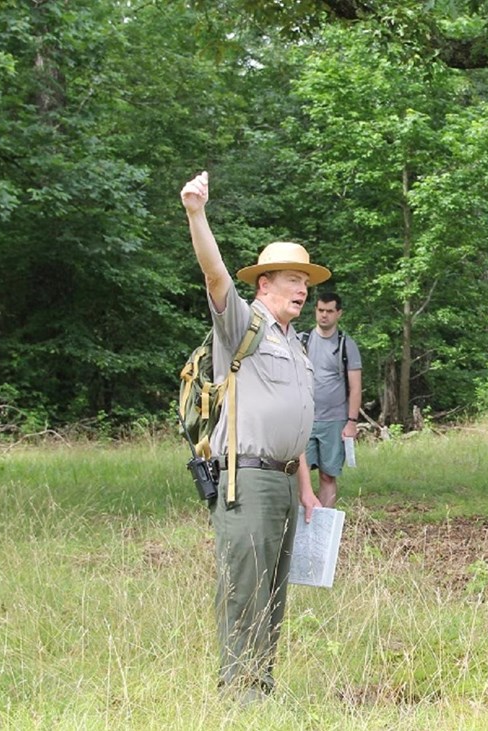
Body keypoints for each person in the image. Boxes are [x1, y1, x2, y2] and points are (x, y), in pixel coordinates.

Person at [180, 171, 324, 703]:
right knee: (245, 588)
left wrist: (305, 485)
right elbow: (216, 277)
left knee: (273, 592)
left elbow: (298, 422)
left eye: (306, 283)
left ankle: (261, 686)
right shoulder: (243, 325)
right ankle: (239, 695)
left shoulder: (298, 343)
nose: (303, 290)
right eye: (292, 280)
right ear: (263, 285)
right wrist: (198, 214)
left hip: (285, 483)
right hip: (246, 479)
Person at [302, 292, 362, 508]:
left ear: (339, 313)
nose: (324, 316)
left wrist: (351, 422)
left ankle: (324, 526)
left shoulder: (347, 345)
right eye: (320, 310)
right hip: (304, 420)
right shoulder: (302, 340)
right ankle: (301, 528)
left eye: (329, 311)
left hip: (335, 420)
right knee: (301, 476)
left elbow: (355, 387)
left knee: (328, 476)